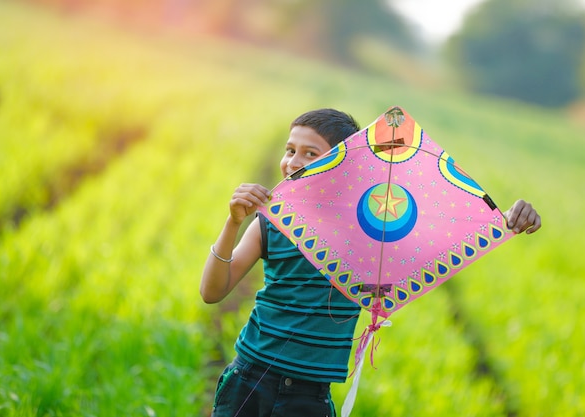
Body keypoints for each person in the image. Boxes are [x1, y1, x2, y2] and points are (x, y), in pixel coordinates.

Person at [200, 108, 542, 417]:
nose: (292, 161)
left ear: (339, 165)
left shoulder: (371, 235)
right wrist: (233, 222)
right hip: (249, 378)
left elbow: (445, 235)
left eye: (310, 153)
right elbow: (212, 292)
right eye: (290, 150)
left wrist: (506, 220)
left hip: (309, 397)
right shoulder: (271, 222)